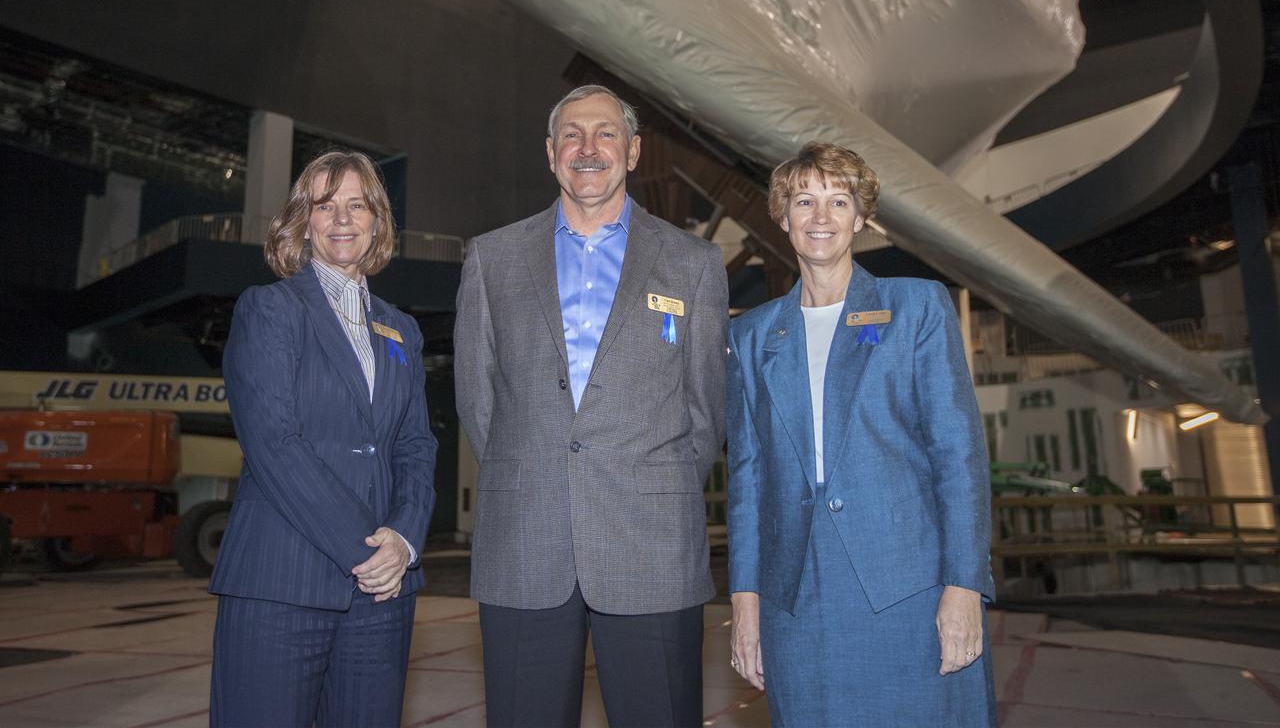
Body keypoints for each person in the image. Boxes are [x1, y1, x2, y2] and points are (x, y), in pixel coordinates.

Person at [454, 84, 728, 728]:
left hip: (652, 548)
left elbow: (706, 414)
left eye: (606, 133)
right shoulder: (491, 259)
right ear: (551, 154)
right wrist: (533, 477)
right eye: (572, 135)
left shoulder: (693, 263)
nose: (588, 148)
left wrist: (649, 489)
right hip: (526, 543)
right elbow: (478, 401)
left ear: (633, 152)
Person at [726, 141, 996, 727]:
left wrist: (964, 586)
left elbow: (958, 457)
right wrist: (744, 603)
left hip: (908, 591)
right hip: (794, 601)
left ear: (861, 217)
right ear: (783, 217)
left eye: (838, 201)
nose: (820, 217)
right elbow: (747, 483)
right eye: (804, 201)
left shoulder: (917, 307)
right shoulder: (752, 336)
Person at [209, 150, 438, 728]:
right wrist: (371, 555)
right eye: (325, 205)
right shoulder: (270, 310)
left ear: (377, 221)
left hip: (383, 595)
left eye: (357, 205)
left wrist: (405, 541)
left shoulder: (400, 329)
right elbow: (275, 444)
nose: (342, 218)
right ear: (300, 221)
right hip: (281, 582)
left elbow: (415, 446)